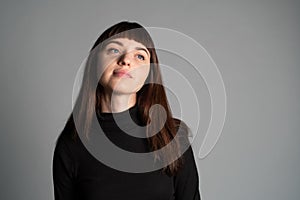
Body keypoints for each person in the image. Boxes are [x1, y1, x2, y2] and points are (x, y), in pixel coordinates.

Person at [52, 21, 201, 200]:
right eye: (114, 50)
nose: (126, 60)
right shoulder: (71, 144)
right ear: (94, 63)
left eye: (139, 56)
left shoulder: (173, 137)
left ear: (149, 74)